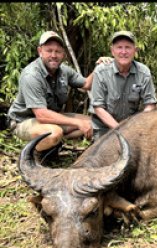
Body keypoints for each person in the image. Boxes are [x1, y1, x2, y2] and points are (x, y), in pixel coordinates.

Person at [7, 30, 102, 159]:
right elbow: (41, 115)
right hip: (23, 121)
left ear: (63, 54)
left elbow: (86, 84)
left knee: (94, 123)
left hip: (50, 118)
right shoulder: (32, 75)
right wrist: (77, 123)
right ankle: (32, 158)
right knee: (53, 133)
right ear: (40, 51)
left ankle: (51, 146)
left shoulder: (64, 71)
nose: (54, 55)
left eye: (57, 51)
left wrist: (99, 67)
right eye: (49, 50)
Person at [90, 30, 157, 140]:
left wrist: (135, 127)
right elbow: (98, 107)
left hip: (133, 127)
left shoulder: (143, 72)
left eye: (128, 47)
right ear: (112, 51)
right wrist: (121, 130)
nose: (123, 52)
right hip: (105, 128)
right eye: (119, 47)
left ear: (135, 50)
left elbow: (150, 104)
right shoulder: (101, 71)